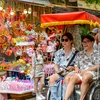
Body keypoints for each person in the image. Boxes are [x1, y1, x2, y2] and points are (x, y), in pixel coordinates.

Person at [65, 34, 99, 100]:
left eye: (87, 42)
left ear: (92, 42)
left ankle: (81, 99)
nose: (85, 44)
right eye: (83, 42)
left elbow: (98, 65)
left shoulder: (97, 53)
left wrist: (86, 71)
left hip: (92, 72)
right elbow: (76, 65)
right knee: (71, 78)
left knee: (85, 77)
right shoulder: (80, 54)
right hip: (81, 72)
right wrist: (77, 69)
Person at [49, 32, 78, 100]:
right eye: (62, 40)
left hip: (70, 73)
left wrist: (72, 68)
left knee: (67, 79)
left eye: (66, 40)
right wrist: (58, 71)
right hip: (61, 72)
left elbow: (78, 66)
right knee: (52, 78)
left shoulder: (76, 53)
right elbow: (56, 65)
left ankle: (66, 98)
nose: (64, 42)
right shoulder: (58, 52)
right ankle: (55, 98)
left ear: (71, 41)